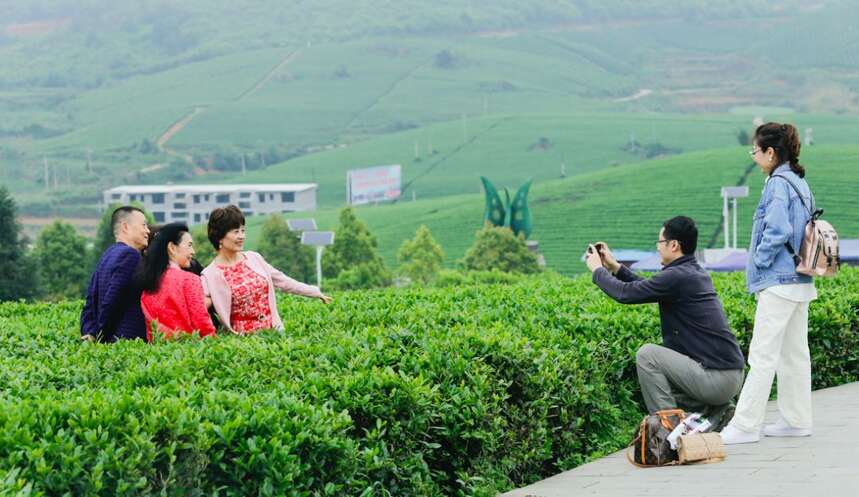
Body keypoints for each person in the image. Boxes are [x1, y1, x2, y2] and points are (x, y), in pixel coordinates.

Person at [584, 216, 745, 430]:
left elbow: (625, 294)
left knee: (648, 355)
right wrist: (615, 267)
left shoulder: (677, 276)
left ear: (674, 245)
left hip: (716, 378)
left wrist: (597, 270)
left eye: (660, 243)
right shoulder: (690, 271)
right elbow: (646, 286)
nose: (658, 248)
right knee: (663, 383)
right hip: (729, 377)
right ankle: (715, 413)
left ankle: (672, 431)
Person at [720, 123, 817, 444]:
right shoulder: (799, 182)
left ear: (771, 152)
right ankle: (796, 419)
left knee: (762, 354)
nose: (754, 156)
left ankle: (746, 425)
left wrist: (760, 261)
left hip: (779, 281)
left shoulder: (777, 184)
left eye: (756, 151)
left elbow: (776, 230)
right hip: (801, 280)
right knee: (794, 354)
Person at [201, 205, 332, 334]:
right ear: (220, 237)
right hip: (242, 340)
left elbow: (283, 281)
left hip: (274, 331)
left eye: (243, 230)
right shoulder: (209, 275)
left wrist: (314, 292)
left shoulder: (254, 258)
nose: (241, 236)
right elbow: (198, 306)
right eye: (236, 232)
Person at [80, 206, 150, 342]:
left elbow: (90, 301)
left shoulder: (107, 255)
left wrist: (89, 331)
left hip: (109, 341)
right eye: (144, 225)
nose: (147, 230)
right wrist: (99, 335)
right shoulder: (131, 255)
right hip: (124, 342)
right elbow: (113, 299)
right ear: (125, 227)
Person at [138, 223, 215, 341]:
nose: (193, 251)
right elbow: (202, 322)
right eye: (189, 245)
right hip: (191, 352)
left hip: (160, 353)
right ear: (172, 248)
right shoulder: (190, 280)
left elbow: (151, 331)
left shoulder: (149, 284)